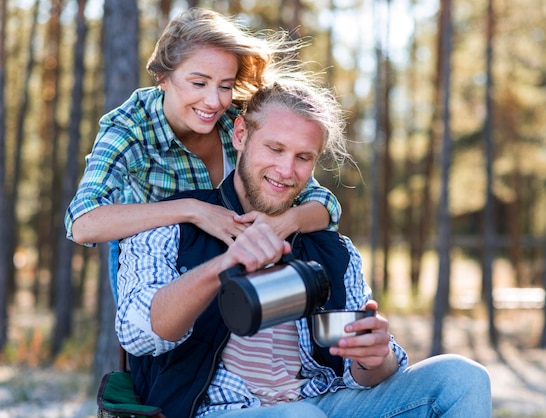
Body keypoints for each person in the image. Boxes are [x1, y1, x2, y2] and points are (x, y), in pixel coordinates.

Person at [115, 76, 492, 417]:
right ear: (241, 134)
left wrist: (374, 358)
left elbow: (360, 373)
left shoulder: (330, 249)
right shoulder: (175, 224)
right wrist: (224, 264)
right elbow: (139, 333)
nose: (286, 170)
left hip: (322, 404)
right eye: (275, 149)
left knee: (462, 378)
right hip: (215, 410)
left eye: (303, 157)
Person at [64, 8, 340, 301]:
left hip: (234, 253)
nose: (213, 101)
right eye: (199, 83)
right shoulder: (130, 128)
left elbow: (323, 203)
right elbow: (83, 221)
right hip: (155, 263)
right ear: (162, 76)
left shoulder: (237, 120)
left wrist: (287, 221)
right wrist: (193, 209)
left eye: (225, 86)